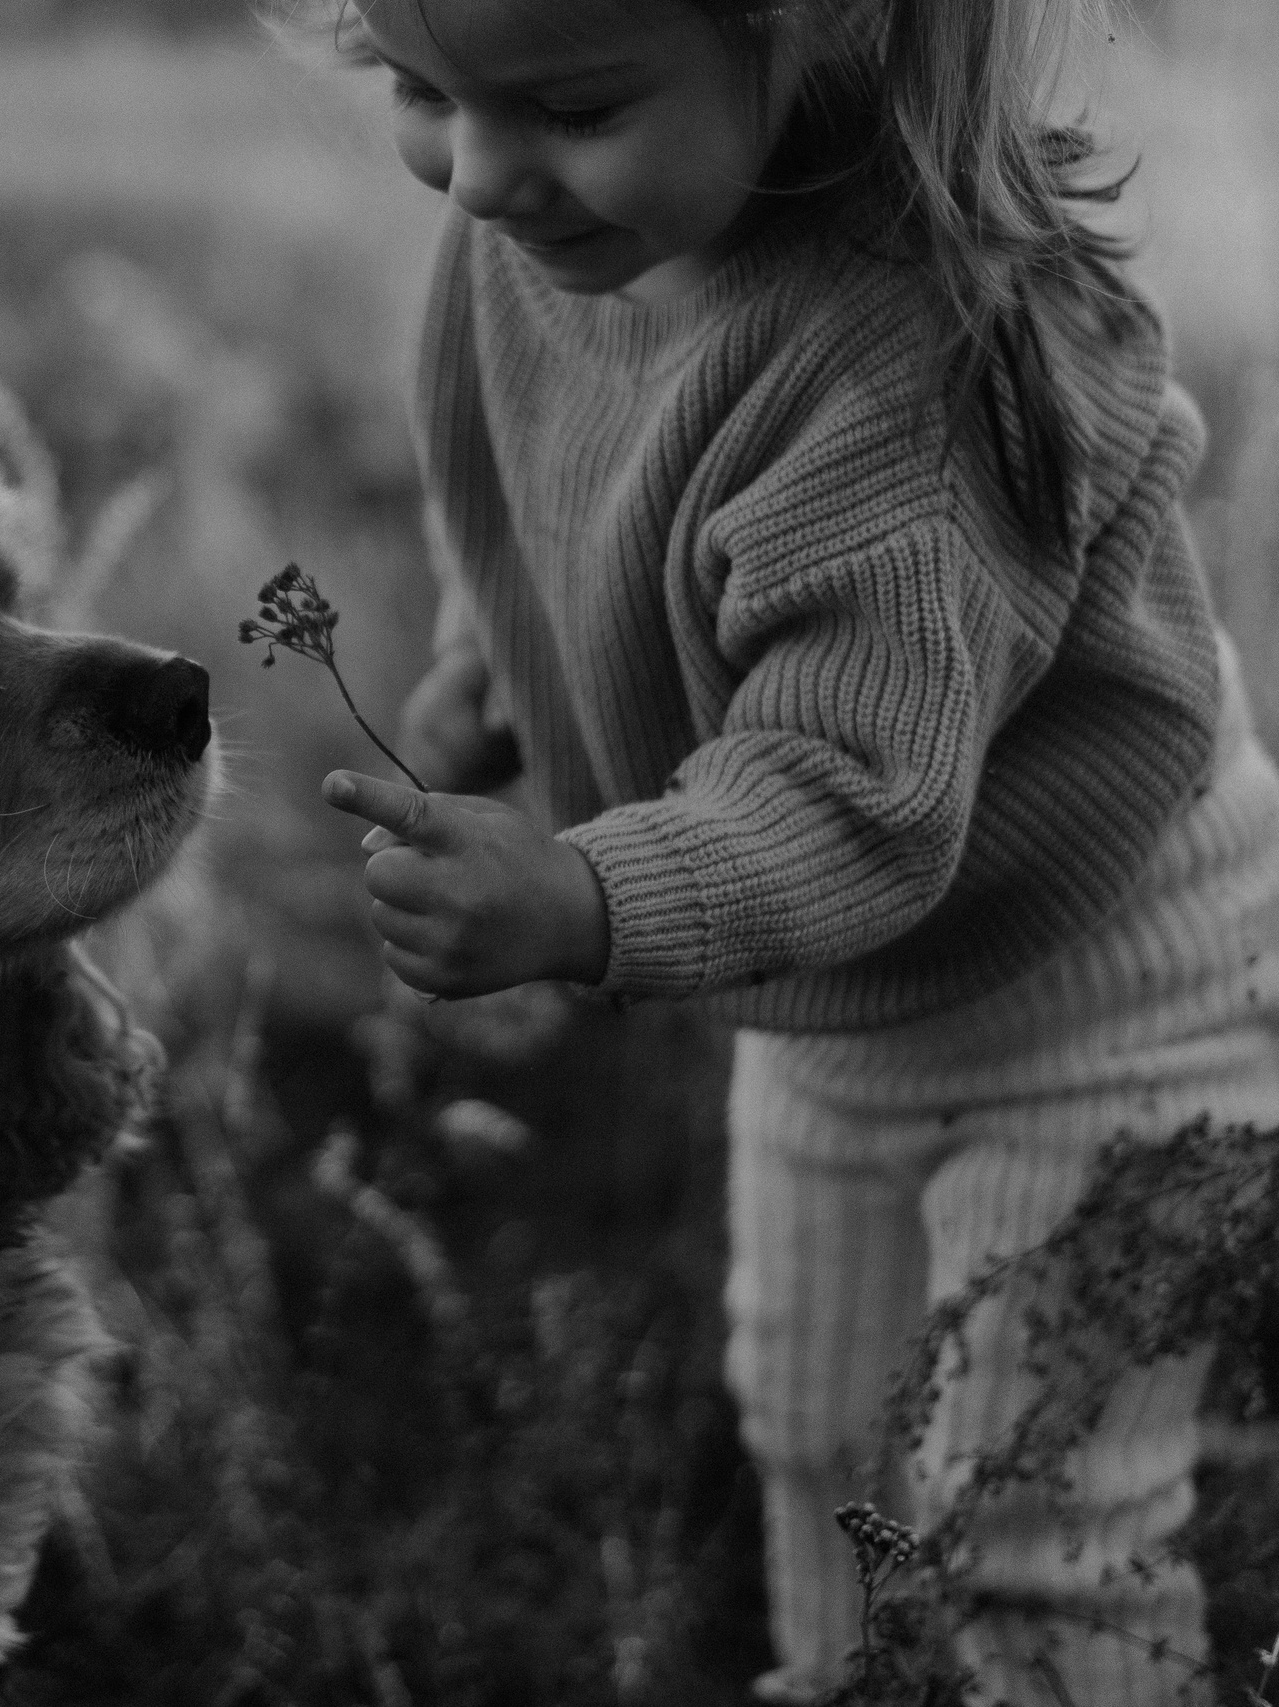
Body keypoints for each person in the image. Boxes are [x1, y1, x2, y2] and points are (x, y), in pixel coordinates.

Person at [308, 0, 1279, 1702]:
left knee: (1028, 1531)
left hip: (1108, 996)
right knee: (827, 1452)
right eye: (415, 89)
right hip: (833, 999)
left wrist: (588, 891)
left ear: (820, 30)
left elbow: (850, 786)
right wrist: (489, 678)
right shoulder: (553, 251)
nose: (475, 174)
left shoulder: (912, 360)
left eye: (570, 102)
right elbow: (539, 510)